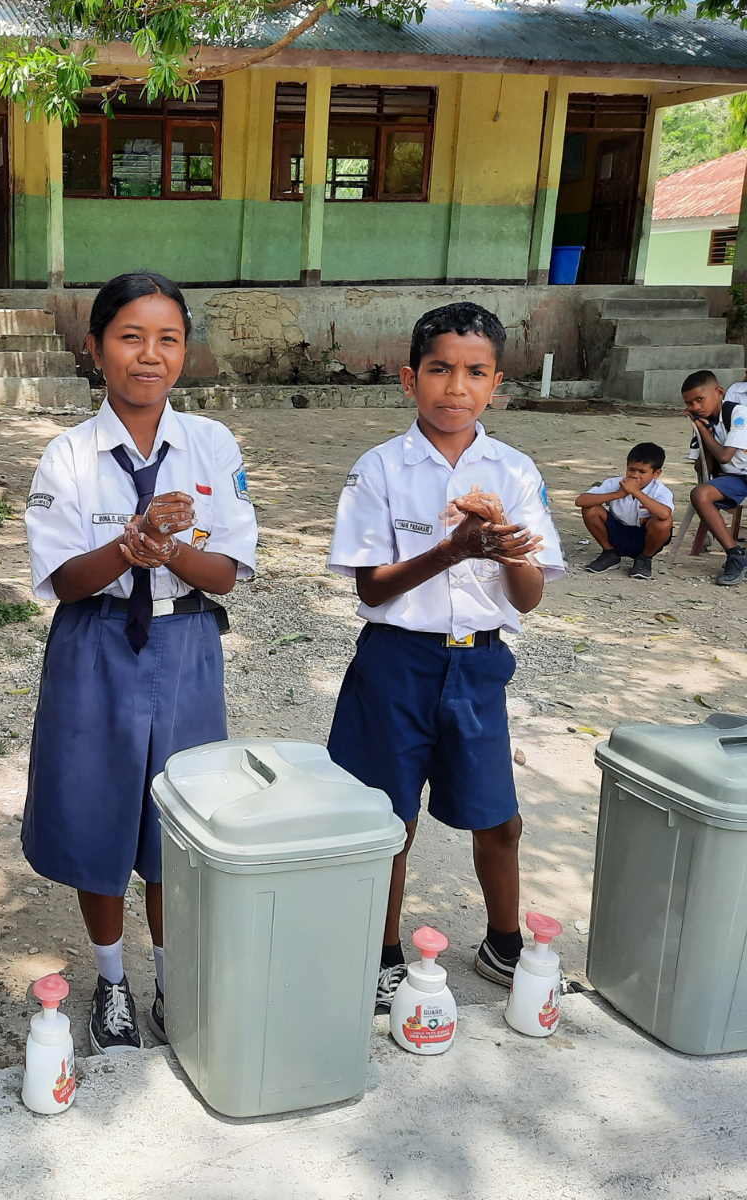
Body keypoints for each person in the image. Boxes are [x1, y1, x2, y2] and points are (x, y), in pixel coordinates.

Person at [21, 271, 257, 1053]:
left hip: (185, 646)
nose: (148, 355)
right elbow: (63, 580)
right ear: (95, 349)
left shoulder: (213, 447)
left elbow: (226, 573)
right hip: (95, 647)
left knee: (177, 821)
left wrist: (173, 548)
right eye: (129, 337)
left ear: (185, 352)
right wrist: (129, 543)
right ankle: (112, 980)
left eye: (167, 339)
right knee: (97, 816)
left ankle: (167, 977)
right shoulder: (68, 455)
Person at [325, 301, 564, 1012]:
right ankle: (382, 951)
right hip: (396, 662)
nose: (455, 388)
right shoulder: (380, 470)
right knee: (390, 818)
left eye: (474, 373)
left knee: (500, 817)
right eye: (439, 370)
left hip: (479, 666)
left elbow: (526, 599)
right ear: (409, 379)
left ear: (497, 384)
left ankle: (503, 943)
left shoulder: (515, 474)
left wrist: (508, 548)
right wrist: (451, 550)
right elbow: (372, 588)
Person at [680, 369, 747, 586]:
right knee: (700, 494)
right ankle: (735, 555)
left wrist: (705, 432)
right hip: (736, 479)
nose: (696, 407)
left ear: (719, 392)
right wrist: (700, 433)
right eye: (690, 404)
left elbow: (725, 457)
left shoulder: (739, 414)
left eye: (700, 399)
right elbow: (703, 469)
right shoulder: (704, 423)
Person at [575, 442, 674, 580]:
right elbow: (580, 501)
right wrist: (618, 494)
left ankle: (644, 559)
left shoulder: (660, 490)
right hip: (616, 532)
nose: (634, 475)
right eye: (631, 469)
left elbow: (665, 514)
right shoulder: (614, 484)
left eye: (642, 472)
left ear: (656, 473)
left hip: (643, 537)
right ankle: (610, 553)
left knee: (664, 522)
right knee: (591, 509)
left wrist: (636, 492)